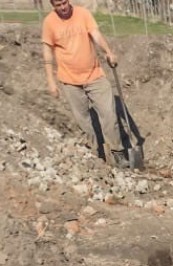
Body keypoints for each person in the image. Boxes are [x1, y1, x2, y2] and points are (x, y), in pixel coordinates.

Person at [42, 0, 127, 167]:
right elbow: (47, 53)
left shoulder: (83, 14)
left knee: (109, 115)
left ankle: (117, 153)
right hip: (70, 80)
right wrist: (51, 81)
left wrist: (108, 52)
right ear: (53, 5)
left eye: (64, 2)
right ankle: (96, 156)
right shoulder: (49, 22)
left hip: (95, 75)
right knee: (84, 122)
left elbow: (96, 35)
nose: (63, 7)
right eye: (58, 5)